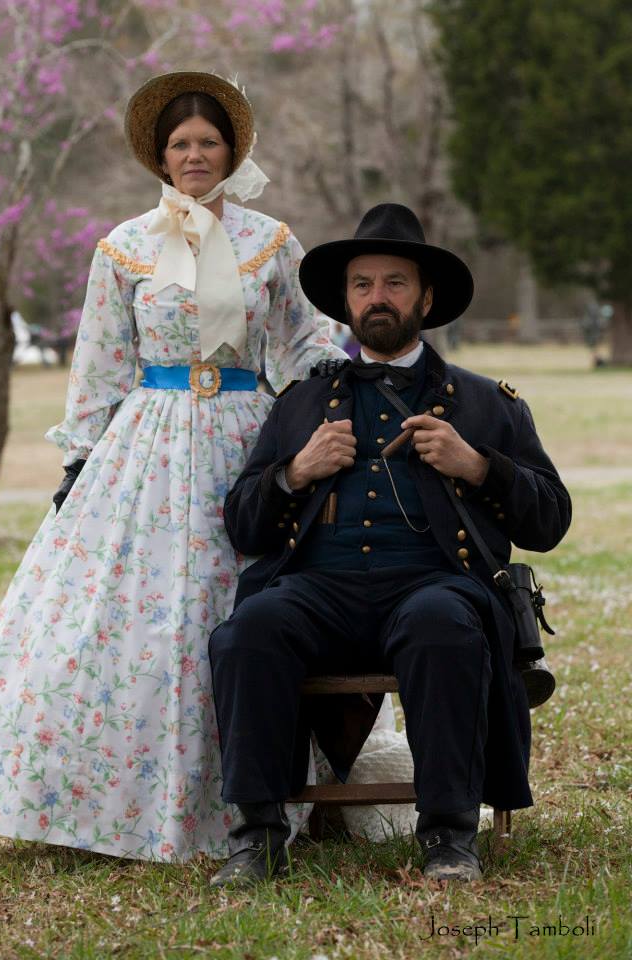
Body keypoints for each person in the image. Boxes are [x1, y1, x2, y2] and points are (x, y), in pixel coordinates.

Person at [0, 72, 347, 861]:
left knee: (233, 606)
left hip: (246, 437)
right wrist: (80, 461)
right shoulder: (124, 248)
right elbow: (100, 364)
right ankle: (110, 800)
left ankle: (256, 795)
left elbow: (303, 343)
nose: (195, 155)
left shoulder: (270, 240)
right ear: (160, 159)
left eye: (207, 143)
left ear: (231, 150)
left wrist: (350, 388)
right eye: (180, 145)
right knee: (128, 617)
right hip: (148, 444)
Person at [208, 202, 572, 886]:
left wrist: (479, 465)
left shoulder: (485, 403)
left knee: (443, 626)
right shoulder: (298, 406)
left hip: (434, 586)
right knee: (247, 632)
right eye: (363, 284)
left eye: (395, 282)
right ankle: (258, 834)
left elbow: (550, 520)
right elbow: (244, 525)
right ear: (346, 302)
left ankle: (449, 836)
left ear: (426, 297)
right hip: (320, 591)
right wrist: (293, 472)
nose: (379, 297)